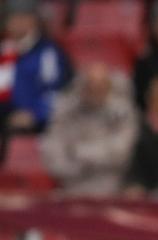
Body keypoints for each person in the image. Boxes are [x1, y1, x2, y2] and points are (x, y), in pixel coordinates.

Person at [41, 62, 139, 196]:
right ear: (82, 87)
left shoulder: (123, 114)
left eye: (101, 86)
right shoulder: (65, 113)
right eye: (91, 85)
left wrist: (78, 152)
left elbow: (121, 155)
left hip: (112, 190)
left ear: (109, 87)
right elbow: (54, 157)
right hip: (71, 188)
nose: (95, 90)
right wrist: (99, 158)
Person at [0, 0, 71, 133]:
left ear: (34, 20)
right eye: (13, 17)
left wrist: (35, 114)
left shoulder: (48, 53)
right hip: (5, 124)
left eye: (23, 17)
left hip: (38, 128)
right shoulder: (4, 50)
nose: (18, 22)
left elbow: (57, 92)